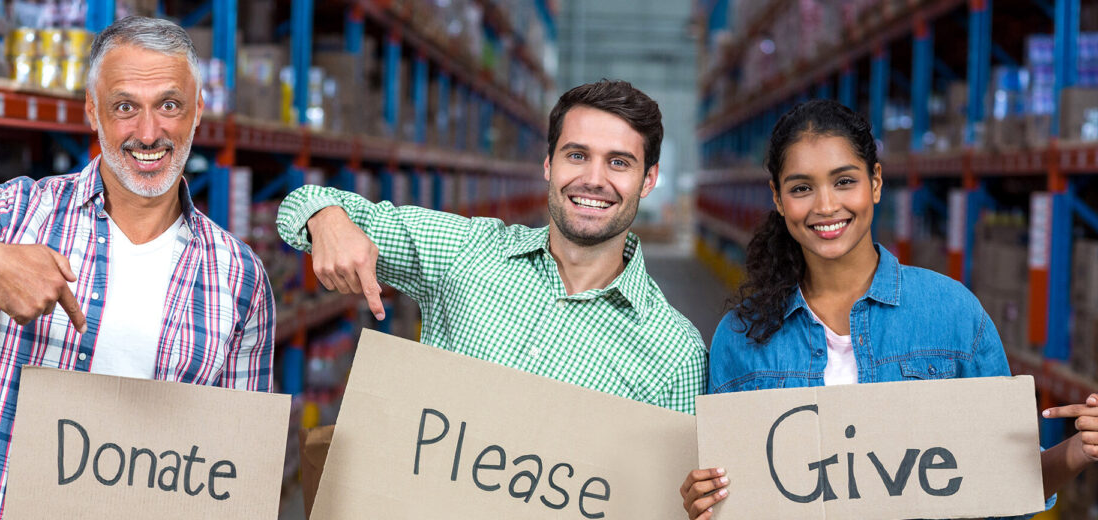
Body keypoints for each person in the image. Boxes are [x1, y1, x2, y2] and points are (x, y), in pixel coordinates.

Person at [0, 17, 274, 518]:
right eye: (124, 107)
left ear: (198, 112)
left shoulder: (239, 277)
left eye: (169, 105)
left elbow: (240, 469)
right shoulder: (24, 214)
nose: (148, 133)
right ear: (93, 112)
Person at [679, 99, 1098, 519]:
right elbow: (731, 496)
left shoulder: (951, 314)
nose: (825, 206)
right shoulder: (741, 336)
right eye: (801, 187)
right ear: (778, 198)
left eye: (844, 181)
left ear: (875, 182)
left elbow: (1005, 484)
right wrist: (703, 501)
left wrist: (1079, 449)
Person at [277, 80, 706, 413]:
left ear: (648, 180)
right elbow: (300, 203)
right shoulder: (466, 251)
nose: (593, 179)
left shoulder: (674, 353)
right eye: (576, 155)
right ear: (548, 164)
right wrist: (326, 219)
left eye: (618, 162)